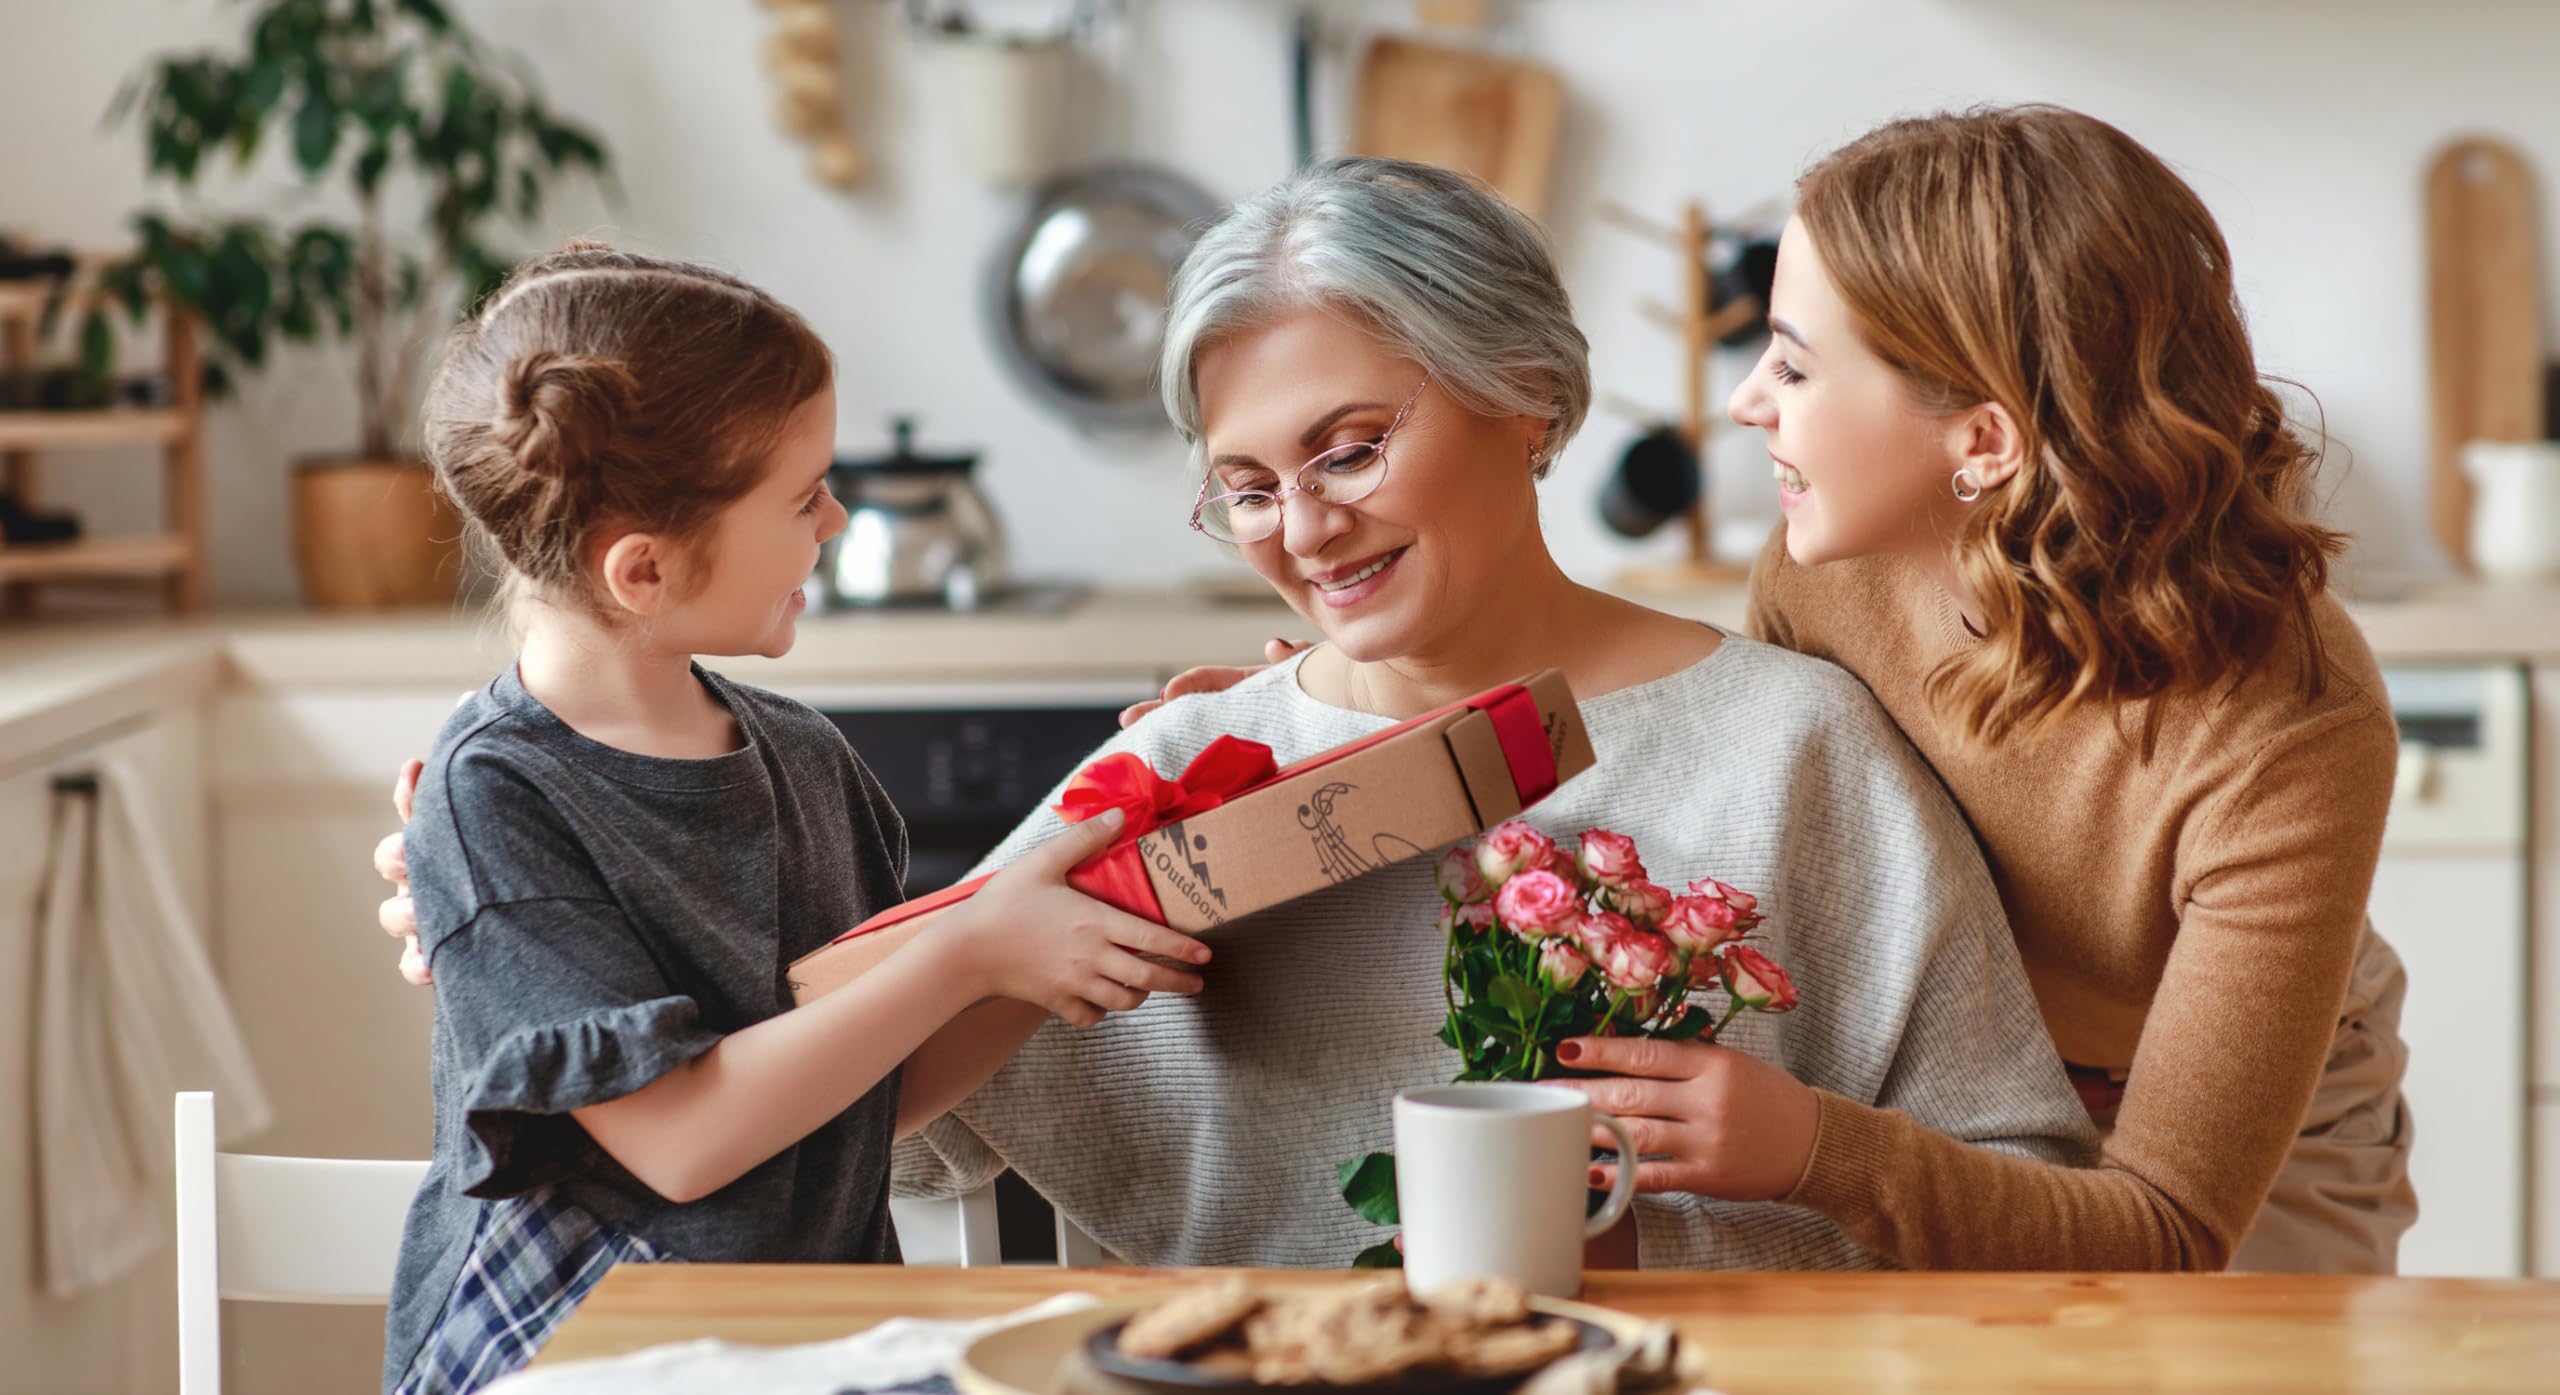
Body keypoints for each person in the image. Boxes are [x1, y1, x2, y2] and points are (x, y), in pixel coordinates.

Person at [1138, 107, 2414, 1275]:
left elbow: (2170, 1229)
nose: (1748, 402)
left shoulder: (2288, 732)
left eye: (1794, 369)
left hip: (2209, 1143)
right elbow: (1738, 765)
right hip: (1969, 1080)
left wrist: (1823, 1151)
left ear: (1981, 442)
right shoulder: (1837, 562)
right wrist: (1332, 707)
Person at [879, 157, 2095, 1269]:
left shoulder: (1795, 746)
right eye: (1246, 491)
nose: (1302, 534)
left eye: (1350, 452)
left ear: (1522, 393)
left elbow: (2028, 1183)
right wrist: (980, 963)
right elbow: (860, 1148)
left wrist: (1807, 1152)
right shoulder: (1185, 769)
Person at [382, 242, 1208, 1393]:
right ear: (644, 571)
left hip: (807, 1329)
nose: (832, 519)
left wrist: (1050, 950)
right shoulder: (493, 800)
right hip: (571, 1348)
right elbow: (680, 1143)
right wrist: (972, 947)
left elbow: (874, 1088)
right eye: (800, 494)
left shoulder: (803, 755)